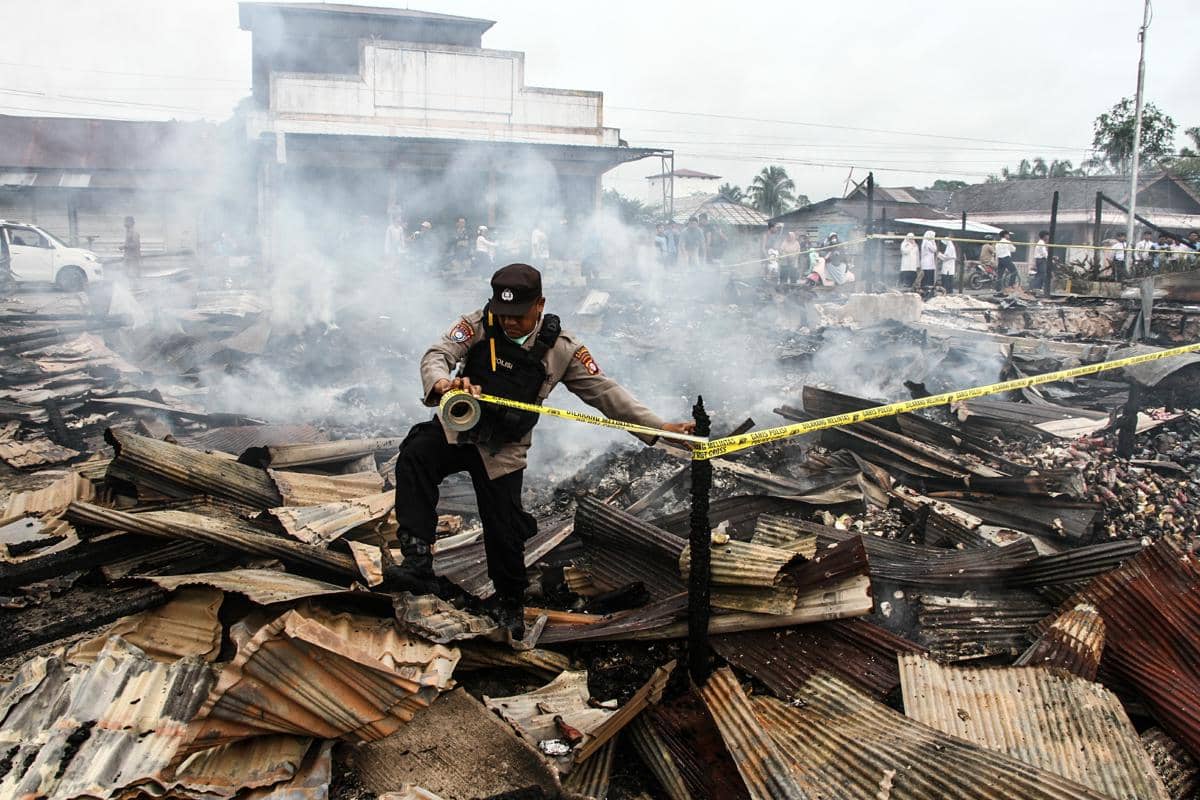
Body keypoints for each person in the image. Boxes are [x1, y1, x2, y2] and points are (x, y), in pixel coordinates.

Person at [391, 263, 696, 637]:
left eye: (518, 315)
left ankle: (509, 607)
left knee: (504, 531)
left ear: (540, 305)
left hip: (503, 448)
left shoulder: (563, 348)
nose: (509, 323)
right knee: (416, 454)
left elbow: (604, 392)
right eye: (502, 314)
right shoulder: (479, 323)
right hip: (461, 428)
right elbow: (438, 353)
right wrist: (442, 382)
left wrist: (659, 427)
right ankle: (417, 561)